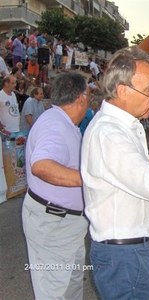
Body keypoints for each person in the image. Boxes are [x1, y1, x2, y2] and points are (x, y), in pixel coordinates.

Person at [81, 46, 149, 300]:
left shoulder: (123, 126)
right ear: (122, 90)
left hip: (127, 253)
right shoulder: (110, 133)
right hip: (124, 255)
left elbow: (135, 174)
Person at [21, 71, 90, 299]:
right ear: (80, 97)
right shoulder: (55, 125)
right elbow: (41, 166)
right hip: (55, 225)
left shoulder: (62, 122)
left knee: (70, 289)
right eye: (88, 95)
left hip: (65, 225)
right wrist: (91, 178)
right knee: (54, 292)